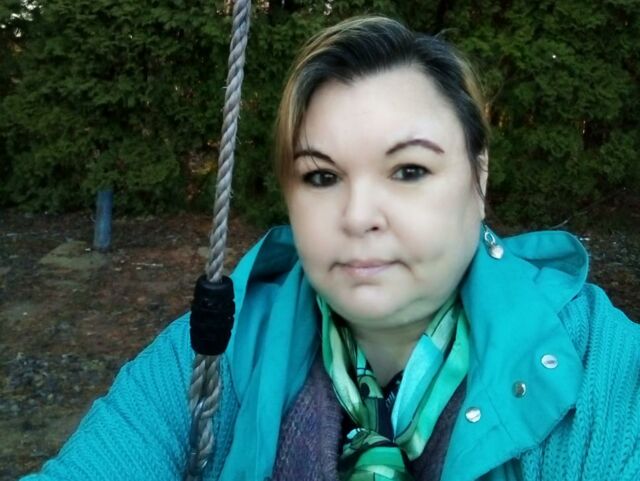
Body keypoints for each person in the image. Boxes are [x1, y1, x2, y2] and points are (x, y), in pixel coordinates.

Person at [21, 15, 640, 481]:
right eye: (321, 176)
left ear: (478, 178)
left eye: (409, 171)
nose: (358, 215)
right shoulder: (216, 353)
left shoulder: (597, 364)